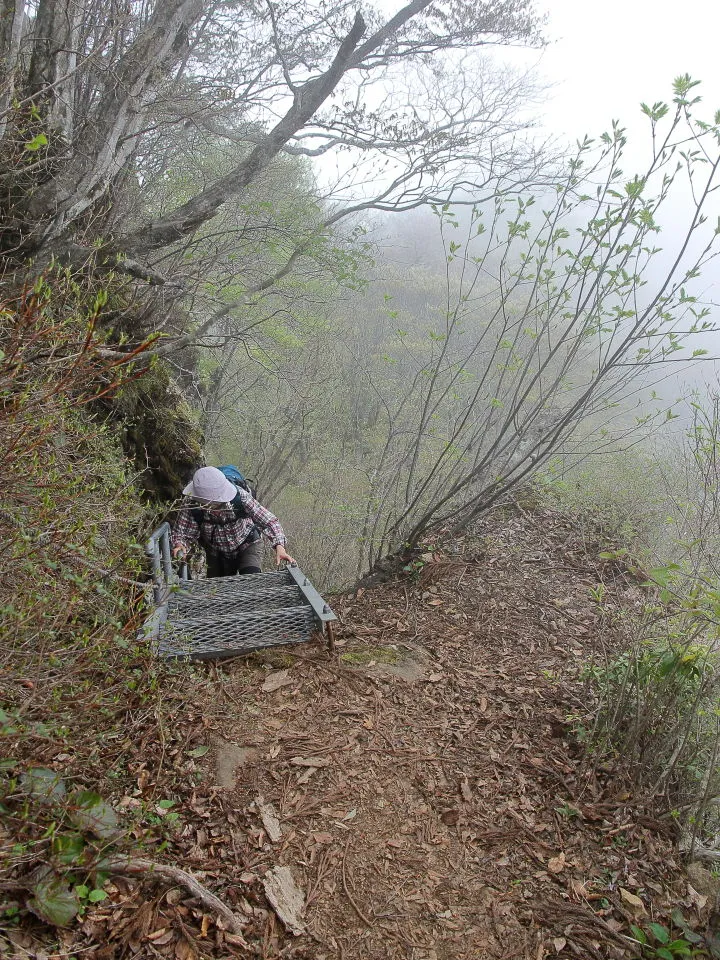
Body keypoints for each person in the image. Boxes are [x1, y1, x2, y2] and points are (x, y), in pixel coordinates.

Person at [171, 466, 295, 577]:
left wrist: (280, 547)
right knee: (217, 592)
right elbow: (181, 533)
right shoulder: (192, 504)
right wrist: (180, 545)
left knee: (251, 583)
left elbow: (269, 521)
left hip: (248, 543)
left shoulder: (240, 497)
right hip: (216, 550)